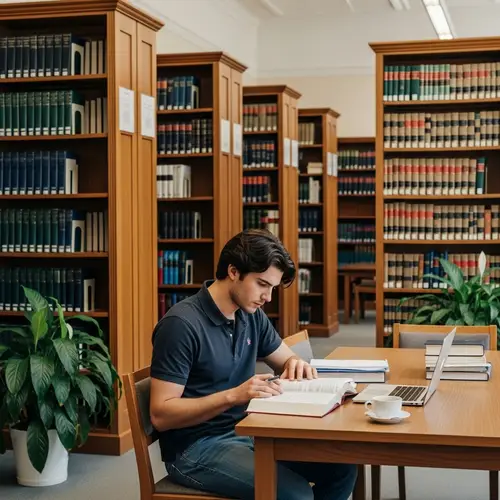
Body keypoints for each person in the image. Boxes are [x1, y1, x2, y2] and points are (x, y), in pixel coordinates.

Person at [150, 229, 357, 500]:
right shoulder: (181, 325)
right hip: (194, 448)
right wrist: (234, 395)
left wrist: (296, 364)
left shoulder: (251, 315)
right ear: (233, 271)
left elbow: (286, 359)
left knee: (341, 468)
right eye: (262, 284)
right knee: (296, 495)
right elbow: (161, 415)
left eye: (272, 287)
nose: (268, 297)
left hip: (248, 430)